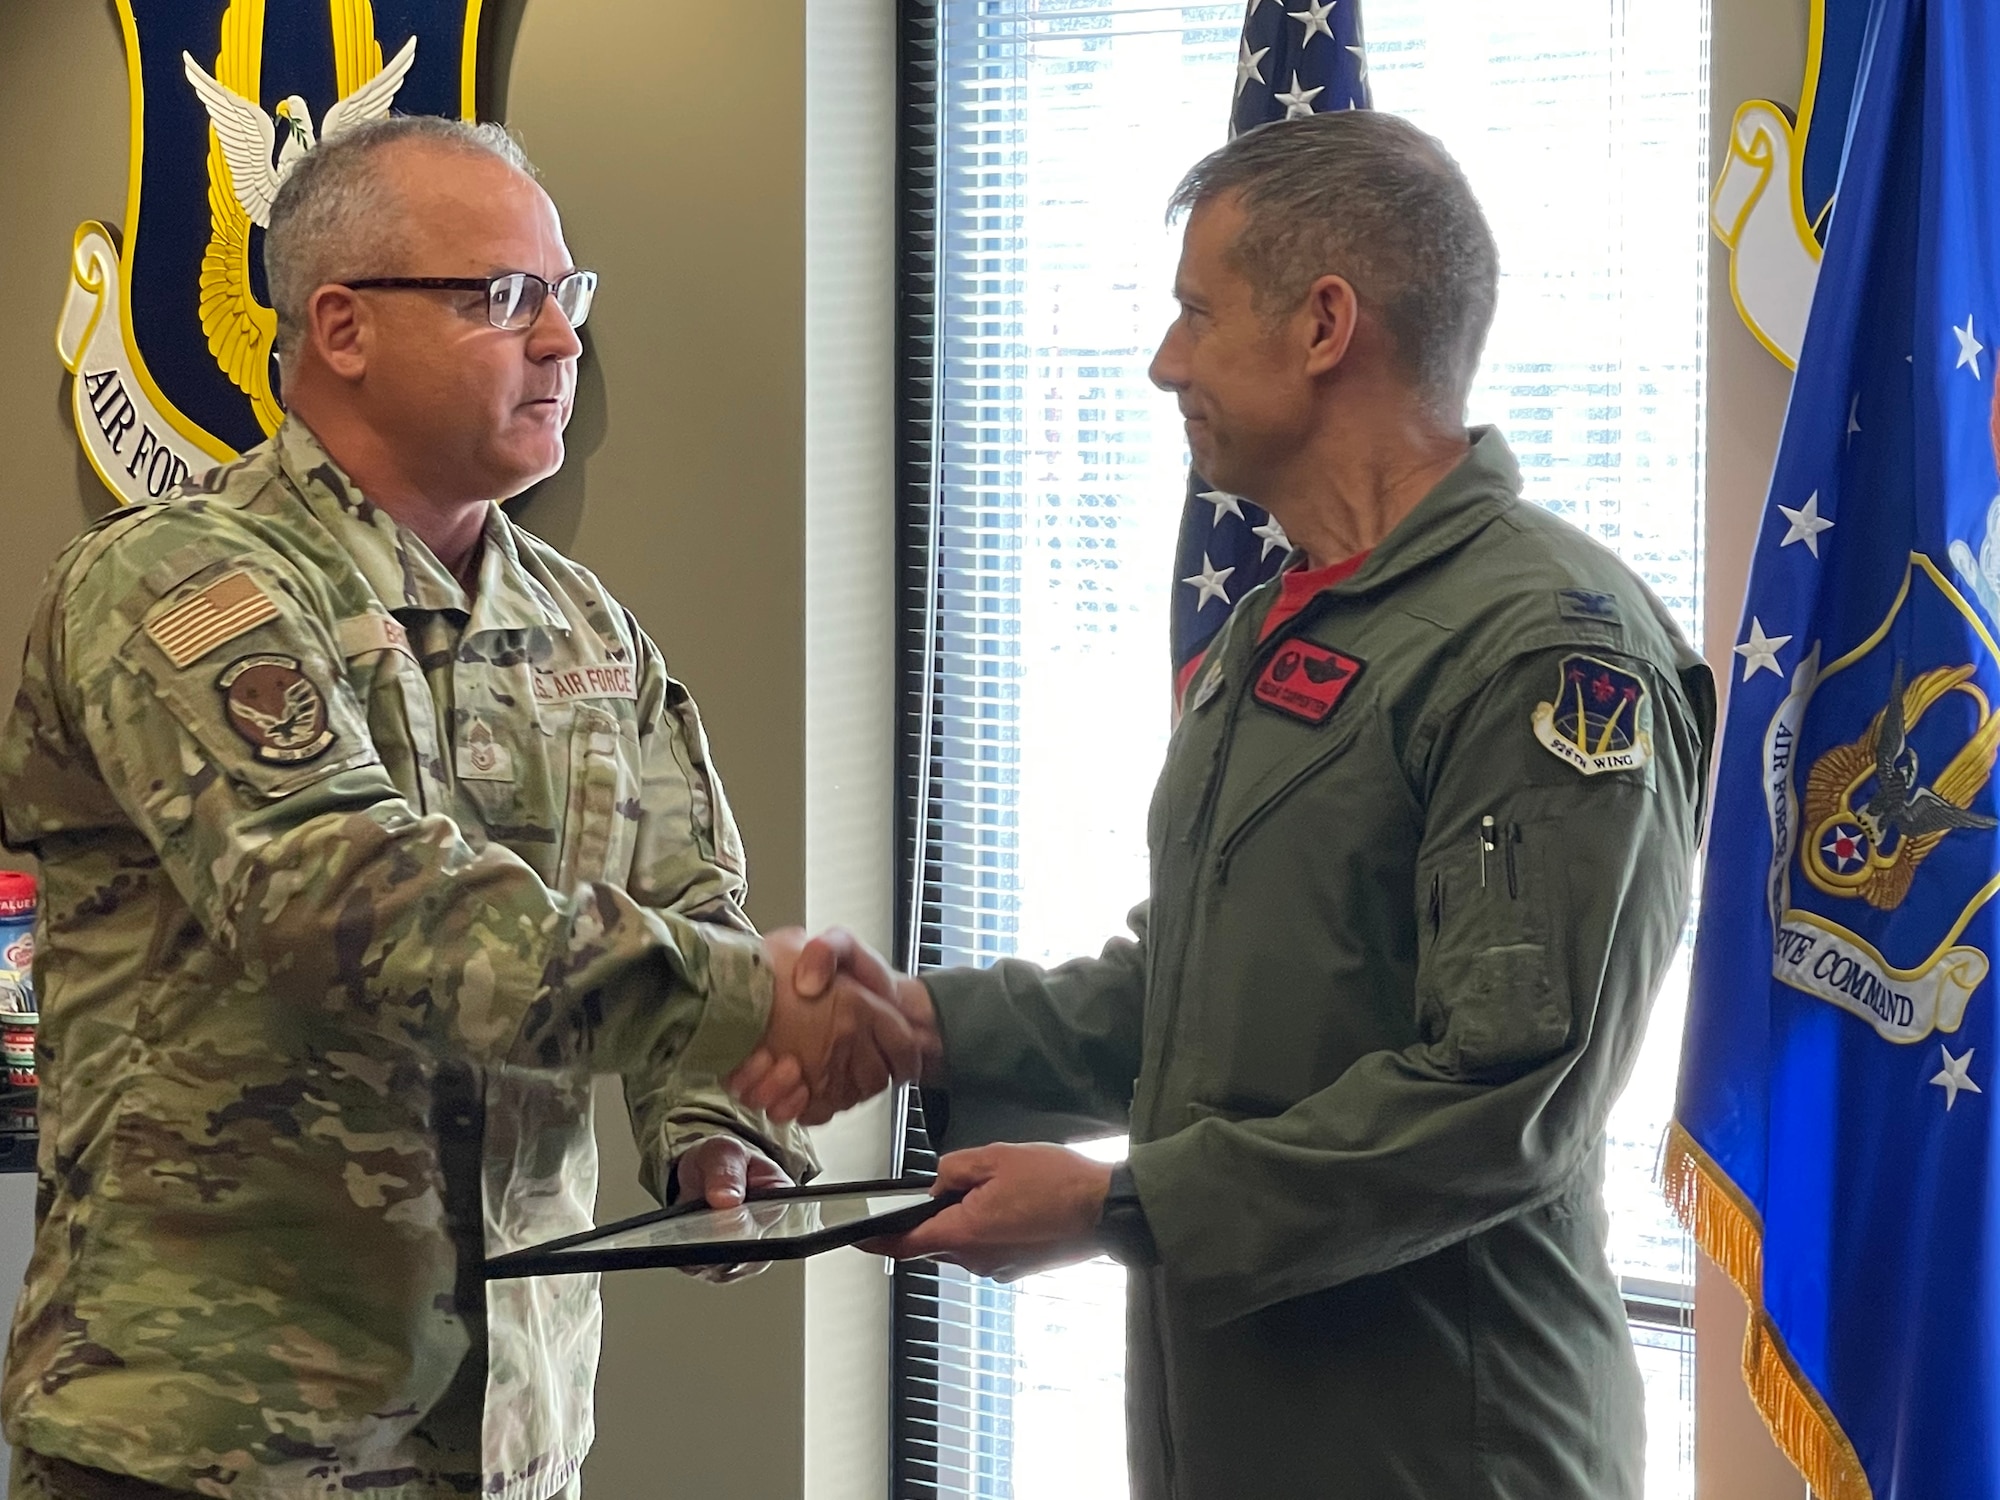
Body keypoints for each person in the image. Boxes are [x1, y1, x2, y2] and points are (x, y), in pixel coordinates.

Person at [738, 111, 1717, 1498]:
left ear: (1327, 325)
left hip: (1444, 1446)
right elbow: (1198, 996)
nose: (1163, 362)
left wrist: (1117, 1204)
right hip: (1243, 1429)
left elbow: (1503, 1097)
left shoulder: (1544, 652)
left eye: (1198, 312)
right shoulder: (1281, 622)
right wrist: (922, 1026)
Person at [0, 117, 914, 1500]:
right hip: (209, 1437)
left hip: (504, 1439)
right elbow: (343, 896)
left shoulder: (583, 624)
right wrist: (749, 995)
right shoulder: (177, 585)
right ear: (342, 327)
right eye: (504, 298)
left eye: (569, 296)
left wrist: (714, 1126)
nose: (561, 341)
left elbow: (684, 896)